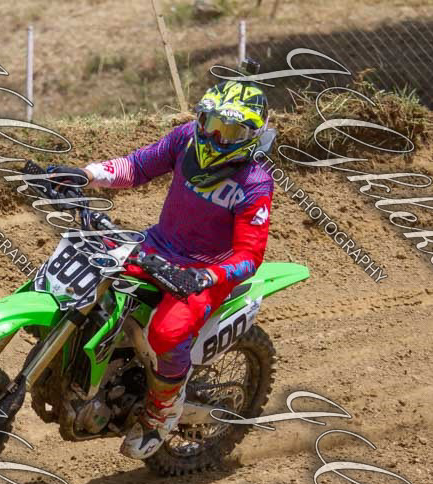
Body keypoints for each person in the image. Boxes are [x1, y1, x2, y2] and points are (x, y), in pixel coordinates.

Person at [56, 78, 274, 460]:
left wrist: (207, 276)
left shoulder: (254, 183)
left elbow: (249, 256)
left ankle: (163, 411)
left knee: (166, 334)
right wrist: (86, 175)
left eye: (230, 132)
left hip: (204, 271)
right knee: (85, 265)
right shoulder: (185, 140)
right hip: (157, 245)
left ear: (251, 136)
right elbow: (137, 166)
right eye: (211, 124)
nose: (216, 138)